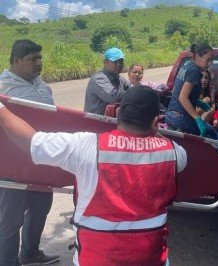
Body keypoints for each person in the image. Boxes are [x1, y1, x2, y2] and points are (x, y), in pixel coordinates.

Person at [0, 85, 187, 265]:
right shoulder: (175, 153)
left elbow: (31, 141)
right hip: (152, 259)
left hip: (96, 259)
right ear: (155, 122)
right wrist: (152, 130)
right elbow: (160, 142)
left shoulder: (88, 146)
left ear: (115, 114)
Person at [0, 39, 59, 266]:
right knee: (10, 218)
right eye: (32, 59)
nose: (38, 64)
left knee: (40, 208)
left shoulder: (43, 86)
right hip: (13, 166)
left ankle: (30, 253)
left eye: (40, 58)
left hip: (42, 162)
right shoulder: (3, 88)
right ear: (16, 61)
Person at [166, 43, 216, 138]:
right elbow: (182, 98)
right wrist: (198, 119)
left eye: (212, 60)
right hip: (181, 118)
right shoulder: (194, 71)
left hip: (171, 115)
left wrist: (197, 102)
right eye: (208, 60)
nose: (210, 63)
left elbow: (177, 92)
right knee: (212, 135)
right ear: (197, 56)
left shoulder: (186, 65)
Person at [84, 47, 130, 115]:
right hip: (95, 122)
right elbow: (113, 97)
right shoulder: (98, 79)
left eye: (121, 61)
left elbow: (131, 88)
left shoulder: (120, 79)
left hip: (111, 120)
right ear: (105, 62)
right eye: (115, 61)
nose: (119, 65)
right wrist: (134, 93)